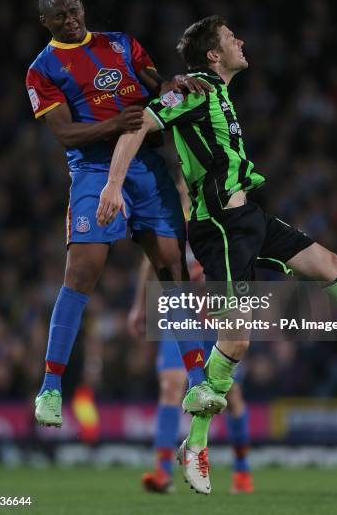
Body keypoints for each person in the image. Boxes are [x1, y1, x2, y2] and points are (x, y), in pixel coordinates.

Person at [96, 14, 337, 494]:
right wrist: (112, 185)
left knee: (330, 266)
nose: (241, 39)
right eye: (231, 37)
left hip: (249, 217)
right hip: (220, 225)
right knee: (237, 340)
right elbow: (137, 127)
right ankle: (195, 444)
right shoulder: (191, 89)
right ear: (214, 54)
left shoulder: (219, 91)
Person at [25, 0, 226, 429]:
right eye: (59, 16)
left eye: (74, 9)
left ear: (82, 6)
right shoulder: (42, 70)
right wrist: (115, 124)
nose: (70, 19)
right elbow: (65, 134)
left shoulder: (122, 44)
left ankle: (196, 380)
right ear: (46, 23)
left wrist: (173, 84)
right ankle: (51, 387)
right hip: (93, 171)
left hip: (147, 167)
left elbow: (158, 88)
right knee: (82, 272)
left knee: (171, 269)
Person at [128, 178, 253, 495]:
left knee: (231, 395)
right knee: (171, 385)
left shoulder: (219, 213)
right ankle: (162, 471)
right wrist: (139, 306)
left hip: (216, 314)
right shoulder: (172, 218)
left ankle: (241, 470)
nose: (186, 186)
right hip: (180, 311)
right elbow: (152, 260)